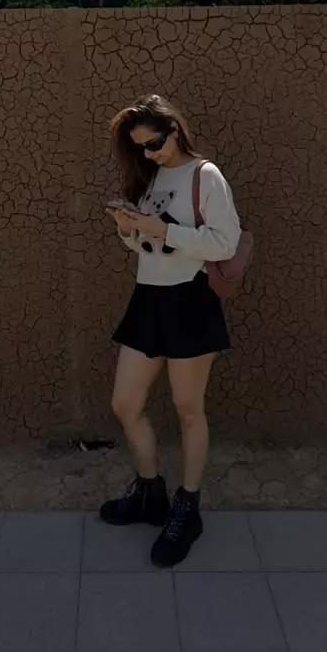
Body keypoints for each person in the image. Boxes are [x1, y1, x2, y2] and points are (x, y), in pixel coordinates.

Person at [100, 93, 242, 567]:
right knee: (125, 403)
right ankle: (149, 494)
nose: (149, 153)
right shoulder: (153, 177)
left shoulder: (206, 176)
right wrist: (128, 227)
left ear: (175, 131)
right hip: (149, 298)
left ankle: (187, 508)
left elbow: (225, 243)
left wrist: (164, 231)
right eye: (140, 147)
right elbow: (144, 244)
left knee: (187, 409)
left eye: (154, 143)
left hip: (190, 301)